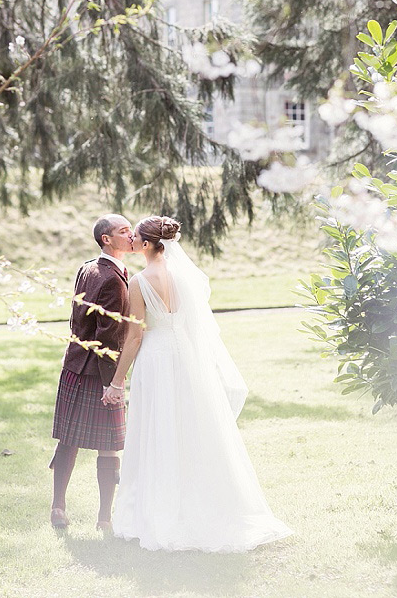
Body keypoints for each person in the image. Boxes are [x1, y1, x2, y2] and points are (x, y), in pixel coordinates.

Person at [102, 214, 293, 552]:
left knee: (160, 431)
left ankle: (162, 512)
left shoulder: (139, 282)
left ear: (147, 245)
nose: (131, 241)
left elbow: (134, 338)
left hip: (157, 360)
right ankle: (203, 504)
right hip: (187, 358)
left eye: (136, 239)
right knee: (192, 429)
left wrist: (117, 382)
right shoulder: (185, 277)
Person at [50, 214, 133, 530]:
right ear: (106, 239)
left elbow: (75, 319)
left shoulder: (87, 268)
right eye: (123, 231)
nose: (131, 234)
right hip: (97, 372)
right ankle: (103, 519)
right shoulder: (112, 278)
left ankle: (58, 507)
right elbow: (107, 335)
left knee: (68, 440)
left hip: (74, 366)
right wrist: (113, 381)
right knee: (108, 444)